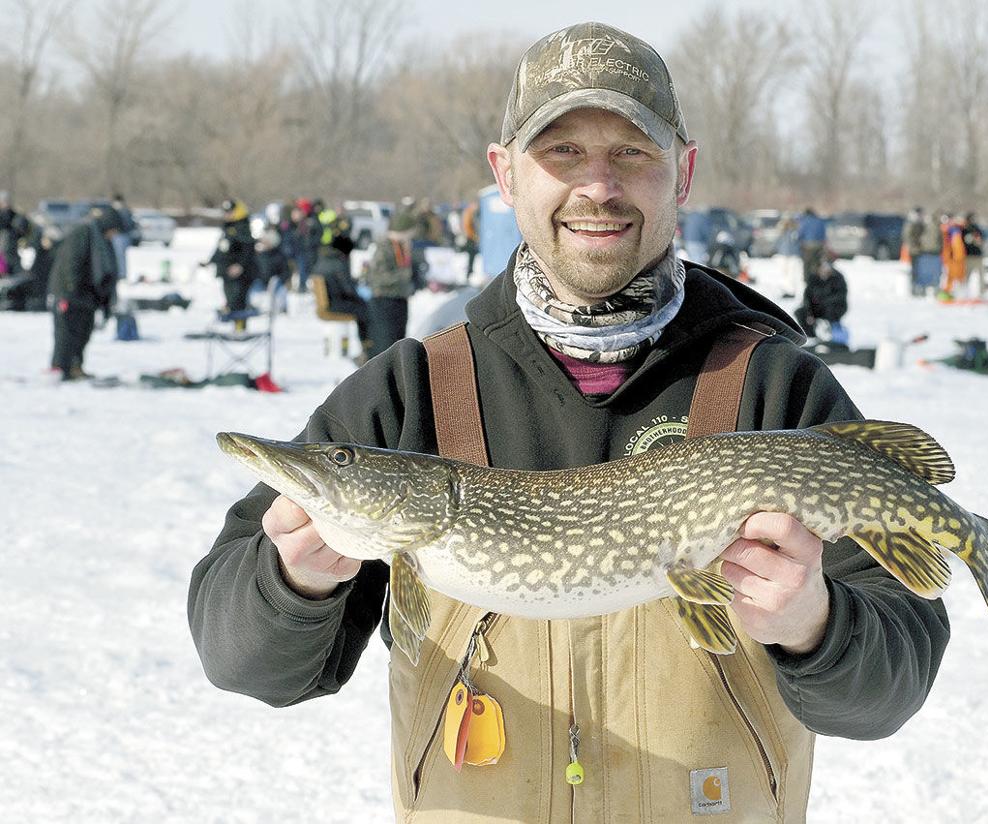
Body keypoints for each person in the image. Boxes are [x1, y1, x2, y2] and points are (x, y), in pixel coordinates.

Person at [189, 22, 949, 823]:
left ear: (682, 172)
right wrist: (292, 581)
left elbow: (891, 686)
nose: (597, 187)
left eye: (631, 152)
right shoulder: (411, 392)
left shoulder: (774, 390)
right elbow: (240, 660)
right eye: (562, 155)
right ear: (505, 173)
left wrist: (815, 626)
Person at [47, 204, 122, 380]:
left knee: (83, 332)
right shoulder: (82, 233)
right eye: (114, 230)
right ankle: (61, 369)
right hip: (69, 293)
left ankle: (75, 366)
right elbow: (71, 263)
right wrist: (72, 290)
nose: (115, 235)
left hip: (87, 295)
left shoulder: (102, 241)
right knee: (66, 333)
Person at [313, 210, 374, 363]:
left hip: (328, 301)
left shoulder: (322, 260)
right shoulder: (338, 264)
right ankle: (368, 348)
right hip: (334, 304)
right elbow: (349, 290)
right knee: (365, 310)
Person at [209, 199, 261, 332]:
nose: (227, 214)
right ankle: (234, 325)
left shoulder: (243, 226)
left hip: (241, 272)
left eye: (230, 211)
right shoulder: (228, 226)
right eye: (225, 212)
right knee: (230, 298)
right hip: (227, 270)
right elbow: (222, 247)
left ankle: (240, 328)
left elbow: (248, 249)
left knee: (239, 300)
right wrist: (210, 261)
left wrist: (240, 265)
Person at [364, 225, 414, 352]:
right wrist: (403, 275)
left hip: (400, 298)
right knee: (385, 345)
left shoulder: (404, 247)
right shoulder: (384, 248)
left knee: (398, 342)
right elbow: (377, 278)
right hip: (384, 300)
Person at [795, 253, 849, 345]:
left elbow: (840, 296)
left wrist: (822, 301)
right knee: (800, 312)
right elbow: (807, 297)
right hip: (817, 307)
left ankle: (832, 335)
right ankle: (811, 336)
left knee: (830, 311)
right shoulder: (813, 278)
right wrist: (809, 313)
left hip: (833, 307)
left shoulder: (838, 278)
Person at [796, 207, 826, 283]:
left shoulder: (804, 221)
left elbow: (800, 233)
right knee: (817, 263)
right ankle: (817, 279)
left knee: (807, 264)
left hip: (807, 246)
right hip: (818, 245)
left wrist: (799, 242)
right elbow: (823, 233)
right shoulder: (819, 221)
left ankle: (807, 280)